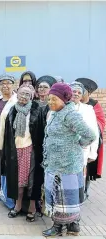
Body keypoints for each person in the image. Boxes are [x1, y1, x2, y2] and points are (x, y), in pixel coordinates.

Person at [42, 83, 96, 237]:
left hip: (66, 166)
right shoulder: (55, 113)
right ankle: (72, 226)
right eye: (49, 99)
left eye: (54, 99)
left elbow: (90, 135)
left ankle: (58, 228)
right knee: (63, 198)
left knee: (62, 199)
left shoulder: (70, 114)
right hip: (55, 163)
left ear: (64, 99)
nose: (50, 102)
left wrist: (77, 145)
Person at [3, 85, 44, 222]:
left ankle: (32, 208)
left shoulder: (37, 109)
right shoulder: (12, 110)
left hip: (31, 150)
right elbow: (7, 133)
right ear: (17, 94)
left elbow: (41, 133)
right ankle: (18, 205)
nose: (24, 96)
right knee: (18, 180)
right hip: (15, 150)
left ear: (32, 95)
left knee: (32, 181)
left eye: (27, 94)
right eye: (21, 93)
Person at [75, 77, 105, 198]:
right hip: (75, 142)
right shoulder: (74, 103)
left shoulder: (93, 105)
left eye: (82, 90)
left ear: (88, 92)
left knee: (88, 167)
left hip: (90, 141)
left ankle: (85, 190)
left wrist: (90, 125)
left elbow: (101, 121)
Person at [70, 82, 99, 196]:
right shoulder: (61, 107)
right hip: (64, 150)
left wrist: (93, 153)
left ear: (82, 96)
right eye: (74, 91)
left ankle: (78, 199)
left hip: (82, 149)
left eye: (79, 92)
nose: (76, 94)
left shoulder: (88, 109)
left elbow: (94, 131)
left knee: (79, 175)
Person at [0, 75, 17, 180]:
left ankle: (5, 190)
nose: (5, 86)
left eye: (8, 83)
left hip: (7, 138)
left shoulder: (16, 101)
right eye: (2, 83)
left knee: (4, 163)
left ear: (13, 85)